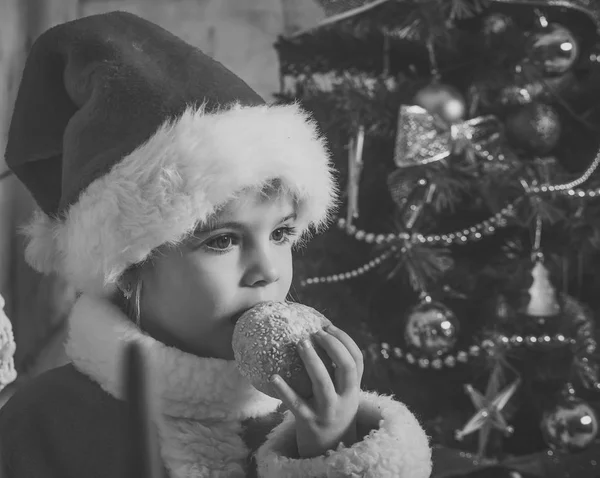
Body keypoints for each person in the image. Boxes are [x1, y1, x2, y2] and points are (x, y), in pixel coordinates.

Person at [0, 11, 432, 478]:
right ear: (128, 266)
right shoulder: (45, 423)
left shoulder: (321, 412)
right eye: (223, 241)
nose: (267, 270)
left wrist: (328, 453)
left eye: (282, 233)